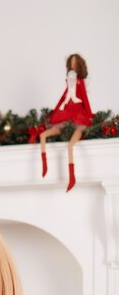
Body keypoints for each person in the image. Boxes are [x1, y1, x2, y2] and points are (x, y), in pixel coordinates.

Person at [40, 53, 93, 192]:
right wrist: (55, 111)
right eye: (71, 63)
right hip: (67, 111)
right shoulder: (69, 80)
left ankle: (72, 177)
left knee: (70, 145)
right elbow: (63, 97)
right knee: (43, 135)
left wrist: (89, 114)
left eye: (75, 63)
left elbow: (85, 99)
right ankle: (45, 166)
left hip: (77, 112)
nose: (72, 66)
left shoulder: (80, 82)